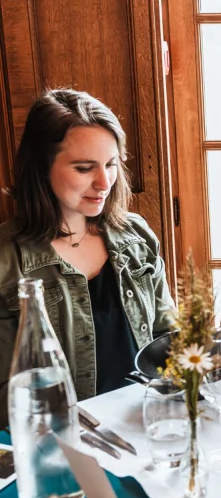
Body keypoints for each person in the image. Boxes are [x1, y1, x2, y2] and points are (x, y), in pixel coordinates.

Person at [0, 89, 175, 427]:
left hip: (150, 425)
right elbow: (7, 392)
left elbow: (167, 336)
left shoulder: (135, 234)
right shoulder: (7, 260)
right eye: (84, 168)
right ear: (41, 167)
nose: (104, 182)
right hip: (64, 446)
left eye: (111, 164)